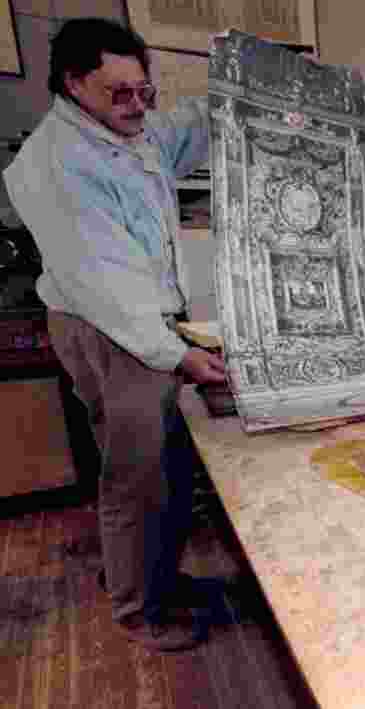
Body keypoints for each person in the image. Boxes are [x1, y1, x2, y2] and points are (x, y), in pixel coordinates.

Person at [4, 18, 227, 650]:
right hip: (108, 327)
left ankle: (153, 579)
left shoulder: (126, 129)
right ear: (74, 84)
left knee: (164, 464)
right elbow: (110, 284)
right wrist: (179, 354)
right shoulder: (58, 163)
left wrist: (233, 90)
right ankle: (141, 610)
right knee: (138, 474)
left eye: (144, 91)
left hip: (138, 322)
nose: (136, 106)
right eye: (118, 93)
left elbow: (180, 132)